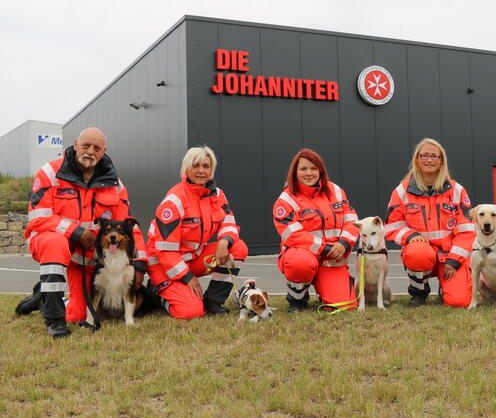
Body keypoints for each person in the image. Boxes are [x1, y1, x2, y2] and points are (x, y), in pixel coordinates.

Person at [23, 127, 147, 338]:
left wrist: (139, 263)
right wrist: (75, 231)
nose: (90, 151)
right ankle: (54, 321)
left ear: (103, 151)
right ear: (75, 145)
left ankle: (43, 296)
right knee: (55, 242)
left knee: (80, 314)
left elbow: (129, 227)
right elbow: (38, 218)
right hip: (54, 246)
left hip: (89, 259)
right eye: (86, 145)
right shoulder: (50, 173)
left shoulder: (115, 184)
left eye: (96, 148)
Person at [146, 146, 248, 319]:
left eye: (206, 166)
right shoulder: (174, 201)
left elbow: (229, 222)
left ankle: (213, 301)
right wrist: (187, 278)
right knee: (191, 312)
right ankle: (155, 293)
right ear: (186, 169)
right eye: (196, 165)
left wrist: (224, 242)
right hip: (164, 264)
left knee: (237, 247)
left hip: (193, 258)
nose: (201, 171)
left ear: (212, 170)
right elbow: (164, 251)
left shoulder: (217, 195)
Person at [385, 138, 474, 307]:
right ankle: (419, 292)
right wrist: (411, 236)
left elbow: (467, 231)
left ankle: (445, 287)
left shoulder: (456, 190)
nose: (429, 160)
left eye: (435, 156)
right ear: (417, 160)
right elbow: (392, 226)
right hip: (421, 253)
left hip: (449, 257)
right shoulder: (402, 191)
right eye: (425, 155)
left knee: (459, 301)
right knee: (418, 252)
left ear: (441, 161)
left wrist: (454, 260)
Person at [273, 149, 360, 312]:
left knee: (345, 306)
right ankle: (297, 299)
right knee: (300, 263)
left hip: (332, 260)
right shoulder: (286, 200)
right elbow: (293, 235)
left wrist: (344, 244)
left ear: (320, 170)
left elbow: (351, 221)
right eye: (303, 169)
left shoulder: (335, 191)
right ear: (295, 172)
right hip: (303, 257)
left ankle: (326, 289)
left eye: (313, 168)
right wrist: (325, 248)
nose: (309, 173)